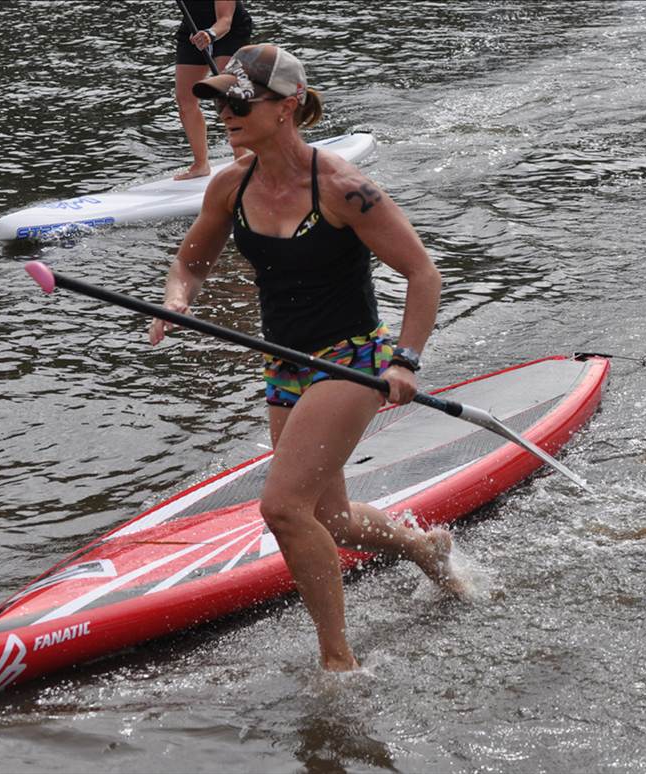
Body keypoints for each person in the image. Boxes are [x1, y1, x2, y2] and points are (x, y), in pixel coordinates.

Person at [149, 44, 463, 671]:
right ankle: (423, 549)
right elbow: (190, 262)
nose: (225, 114)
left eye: (240, 103)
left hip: (353, 361)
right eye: (219, 103)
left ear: (286, 107)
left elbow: (423, 275)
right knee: (332, 519)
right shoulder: (230, 185)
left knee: (283, 509)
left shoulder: (345, 189)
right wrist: (177, 299)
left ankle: (338, 662)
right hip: (284, 363)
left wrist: (405, 361)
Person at [173, 1, 253, 180]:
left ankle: (242, 159)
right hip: (193, 29)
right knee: (185, 99)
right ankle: (201, 164)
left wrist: (209, 34)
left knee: (229, 94)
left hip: (229, 31)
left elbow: (225, 20)